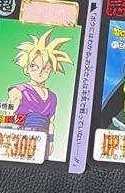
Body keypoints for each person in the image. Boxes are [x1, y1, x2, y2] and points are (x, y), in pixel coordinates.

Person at [6, 30, 74, 158]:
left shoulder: (52, 96)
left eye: (46, 68)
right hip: (22, 139)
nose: (40, 72)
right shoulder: (19, 90)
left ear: (51, 71)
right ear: (26, 69)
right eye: (34, 66)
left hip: (43, 140)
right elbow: (8, 117)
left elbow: (51, 122)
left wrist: (51, 141)